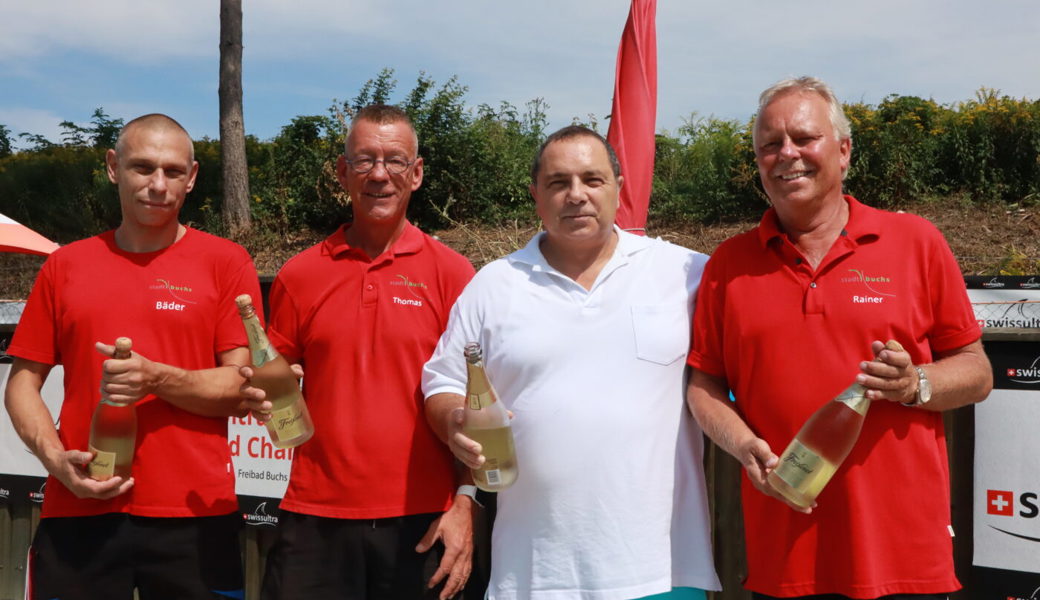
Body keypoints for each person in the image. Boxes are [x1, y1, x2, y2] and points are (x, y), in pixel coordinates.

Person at [686, 76, 993, 599]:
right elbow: (703, 385)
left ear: (844, 150)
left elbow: (977, 372)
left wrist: (915, 381)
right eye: (769, 145)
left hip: (903, 555)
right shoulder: (728, 266)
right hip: (785, 553)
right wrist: (742, 446)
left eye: (804, 138)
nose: (787, 155)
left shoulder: (915, 242)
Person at [422, 125, 721, 600]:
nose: (576, 195)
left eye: (592, 179)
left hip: (660, 569)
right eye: (559, 182)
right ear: (535, 194)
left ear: (619, 187)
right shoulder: (494, 285)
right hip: (536, 573)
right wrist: (453, 420)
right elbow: (443, 381)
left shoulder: (686, 273)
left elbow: (759, 353)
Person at [4, 113, 262, 600]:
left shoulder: (226, 262)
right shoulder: (66, 265)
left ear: (192, 177)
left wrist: (155, 378)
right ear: (112, 167)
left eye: (172, 171)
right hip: (79, 505)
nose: (158, 185)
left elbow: (241, 385)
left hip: (195, 514)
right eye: (143, 168)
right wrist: (55, 459)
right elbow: (21, 383)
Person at [245, 104, 477, 600]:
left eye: (395, 161)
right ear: (341, 172)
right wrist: (266, 397)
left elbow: (476, 403)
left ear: (416, 174)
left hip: (424, 518)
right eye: (364, 160)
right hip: (314, 518)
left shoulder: (454, 275)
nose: (379, 175)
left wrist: (466, 503)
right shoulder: (300, 275)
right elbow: (275, 387)